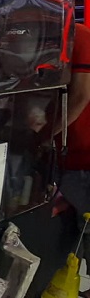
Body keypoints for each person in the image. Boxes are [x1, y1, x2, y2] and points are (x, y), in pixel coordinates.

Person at [57, 21, 90, 249]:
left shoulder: (79, 36)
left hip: (82, 159)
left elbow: (80, 96)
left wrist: (42, 137)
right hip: (64, 157)